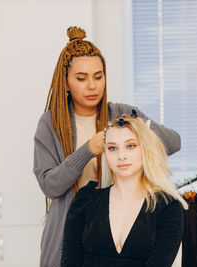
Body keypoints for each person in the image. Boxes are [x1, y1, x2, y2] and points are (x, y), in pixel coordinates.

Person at [33, 26, 181, 267]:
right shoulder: (50, 124)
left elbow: (173, 143)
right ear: (66, 82)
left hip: (117, 229)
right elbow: (50, 185)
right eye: (81, 78)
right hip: (68, 235)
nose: (92, 86)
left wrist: (139, 126)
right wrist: (88, 150)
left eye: (98, 76)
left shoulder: (120, 114)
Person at [61, 113, 188, 266]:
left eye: (130, 146)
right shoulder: (86, 200)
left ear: (145, 149)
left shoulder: (167, 206)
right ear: (105, 153)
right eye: (112, 148)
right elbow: (70, 262)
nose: (121, 156)